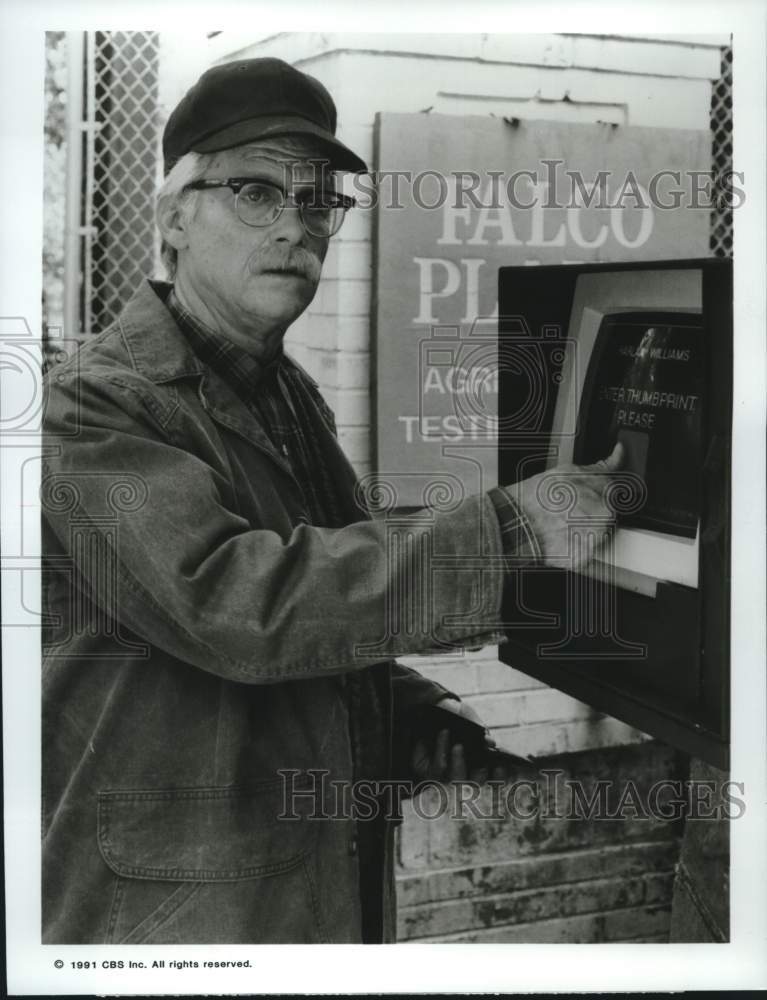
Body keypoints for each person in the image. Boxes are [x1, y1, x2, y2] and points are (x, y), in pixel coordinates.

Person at [41, 57, 623, 944]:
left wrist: (411, 718)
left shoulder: (284, 392)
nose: (295, 226)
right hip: (171, 917)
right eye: (255, 192)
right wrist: (510, 529)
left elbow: (325, 619)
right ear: (173, 217)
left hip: (304, 891)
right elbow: (241, 607)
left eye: (317, 200)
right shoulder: (94, 404)